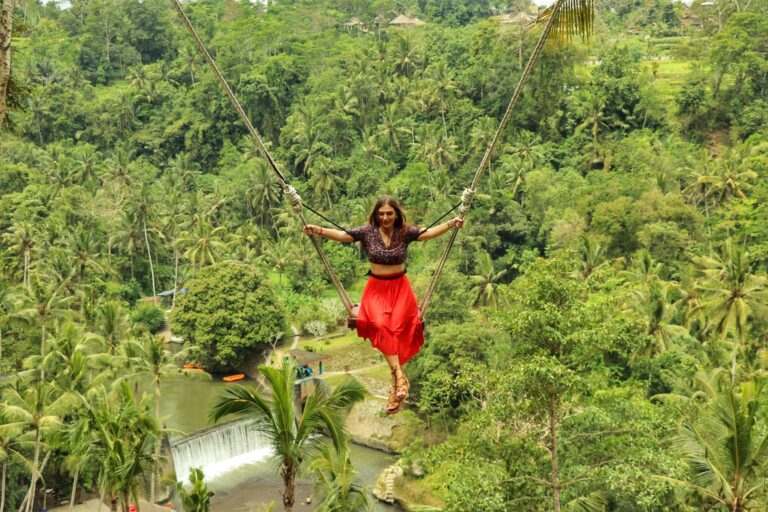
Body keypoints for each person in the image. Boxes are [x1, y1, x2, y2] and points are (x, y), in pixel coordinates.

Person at [303, 195, 464, 414]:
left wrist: (451, 223)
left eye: (389, 213)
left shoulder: (405, 232)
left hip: (400, 289)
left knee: (398, 327)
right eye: (381, 214)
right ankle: (399, 377)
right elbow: (343, 235)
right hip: (377, 290)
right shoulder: (367, 231)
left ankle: (397, 385)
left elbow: (427, 233)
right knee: (380, 325)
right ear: (376, 215)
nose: (385, 217)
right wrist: (319, 230)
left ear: (396, 214)